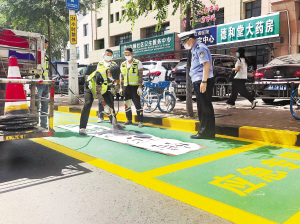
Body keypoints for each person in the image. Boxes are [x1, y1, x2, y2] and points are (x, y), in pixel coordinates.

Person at [178, 31, 215, 139]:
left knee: (204, 107)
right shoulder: (195, 49)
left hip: (202, 80)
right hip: (199, 79)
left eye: (184, 42)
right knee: (204, 106)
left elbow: (206, 64)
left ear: (190, 40)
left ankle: (204, 132)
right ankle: (208, 132)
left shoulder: (200, 48)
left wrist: (204, 82)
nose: (184, 45)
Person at [79, 65, 124, 135]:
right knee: (88, 103)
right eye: (112, 76)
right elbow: (98, 94)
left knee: (110, 103)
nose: (113, 78)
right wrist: (104, 105)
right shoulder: (100, 75)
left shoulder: (112, 73)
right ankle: (82, 128)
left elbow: (115, 81)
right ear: (108, 72)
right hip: (90, 87)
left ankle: (115, 123)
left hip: (102, 88)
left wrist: (116, 88)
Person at [119, 46, 143, 128]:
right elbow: (122, 76)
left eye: (128, 53)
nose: (126, 55)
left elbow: (140, 76)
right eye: (125, 54)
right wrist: (121, 87)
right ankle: (129, 119)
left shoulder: (138, 63)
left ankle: (140, 121)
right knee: (127, 104)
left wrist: (140, 87)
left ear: (132, 54)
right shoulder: (123, 64)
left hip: (135, 87)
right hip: (126, 87)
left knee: (137, 104)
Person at [96, 49, 117, 123]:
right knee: (101, 101)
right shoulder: (100, 63)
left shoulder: (114, 64)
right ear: (104, 55)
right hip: (101, 85)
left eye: (110, 55)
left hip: (110, 85)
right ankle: (100, 117)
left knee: (111, 101)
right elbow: (97, 74)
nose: (108, 56)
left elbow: (116, 75)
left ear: (112, 56)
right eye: (107, 55)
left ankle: (111, 117)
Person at [36, 38, 49, 129]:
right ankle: (35, 125)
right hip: (38, 83)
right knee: (36, 105)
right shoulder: (36, 54)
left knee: (45, 105)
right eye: (45, 44)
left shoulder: (44, 55)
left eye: (47, 44)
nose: (46, 46)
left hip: (45, 83)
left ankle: (44, 125)